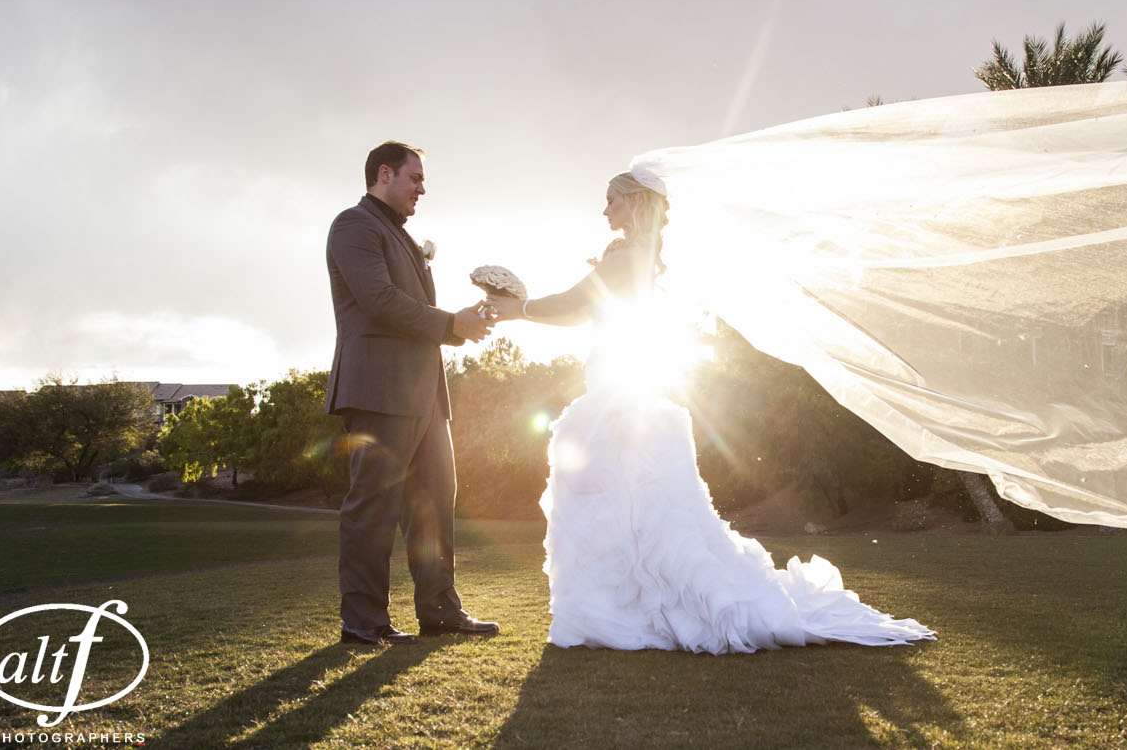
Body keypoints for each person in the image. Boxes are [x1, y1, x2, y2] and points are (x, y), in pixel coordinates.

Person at [484, 171, 934, 653]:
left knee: (627, 505)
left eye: (611, 200)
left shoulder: (628, 259)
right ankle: (622, 606)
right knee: (623, 506)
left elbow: (574, 302)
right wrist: (525, 308)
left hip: (620, 396)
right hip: (622, 386)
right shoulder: (632, 257)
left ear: (634, 203)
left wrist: (518, 308)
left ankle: (635, 608)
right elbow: (579, 313)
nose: (605, 209)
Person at [325, 141, 499, 644]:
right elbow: (379, 301)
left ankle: (440, 610)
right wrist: (452, 324)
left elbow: (411, 307)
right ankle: (364, 621)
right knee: (373, 508)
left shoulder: (402, 236)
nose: (422, 188)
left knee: (435, 503)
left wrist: (465, 322)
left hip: (426, 395)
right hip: (379, 390)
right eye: (415, 178)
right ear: (384, 173)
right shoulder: (353, 226)